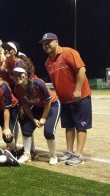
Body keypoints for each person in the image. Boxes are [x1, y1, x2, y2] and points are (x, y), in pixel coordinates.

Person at [40, 32, 92, 166]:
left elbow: (81, 70)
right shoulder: (47, 63)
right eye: (44, 44)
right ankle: (69, 152)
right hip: (65, 100)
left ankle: (79, 155)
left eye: (49, 42)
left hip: (80, 97)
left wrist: (78, 90)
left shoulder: (69, 52)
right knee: (69, 126)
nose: (46, 45)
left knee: (81, 126)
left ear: (56, 42)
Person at [12, 67, 60, 165]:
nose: (17, 77)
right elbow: (25, 105)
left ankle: (53, 155)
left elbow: (48, 100)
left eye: (20, 74)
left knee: (49, 131)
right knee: (26, 128)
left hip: (52, 104)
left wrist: (43, 117)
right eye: (15, 75)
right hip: (38, 106)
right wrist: (33, 119)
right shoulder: (18, 89)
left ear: (26, 75)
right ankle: (27, 154)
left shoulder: (37, 83)